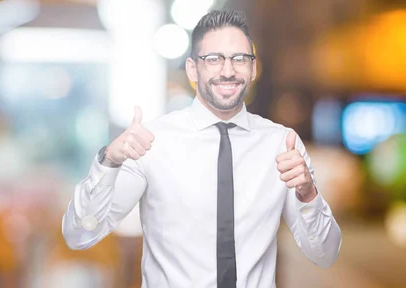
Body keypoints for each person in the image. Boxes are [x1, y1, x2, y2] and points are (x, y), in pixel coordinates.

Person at [61, 10, 341, 288]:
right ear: (193, 69)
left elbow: (326, 255)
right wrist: (108, 161)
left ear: (253, 68)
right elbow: (80, 234)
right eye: (214, 59)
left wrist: (309, 195)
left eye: (240, 59)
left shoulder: (282, 144)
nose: (228, 70)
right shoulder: (152, 142)